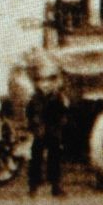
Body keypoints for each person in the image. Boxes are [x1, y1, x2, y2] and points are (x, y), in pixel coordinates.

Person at [26, 55, 68, 197]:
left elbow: (62, 115)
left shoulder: (57, 98)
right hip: (39, 133)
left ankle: (55, 186)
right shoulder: (34, 98)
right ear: (37, 84)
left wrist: (59, 128)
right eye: (42, 81)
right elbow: (30, 114)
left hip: (53, 133)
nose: (45, 85)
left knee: (54, 159)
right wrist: (34, 126)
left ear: (54, 83)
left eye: (49, 81)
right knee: (36, 159)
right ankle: (33, 187)